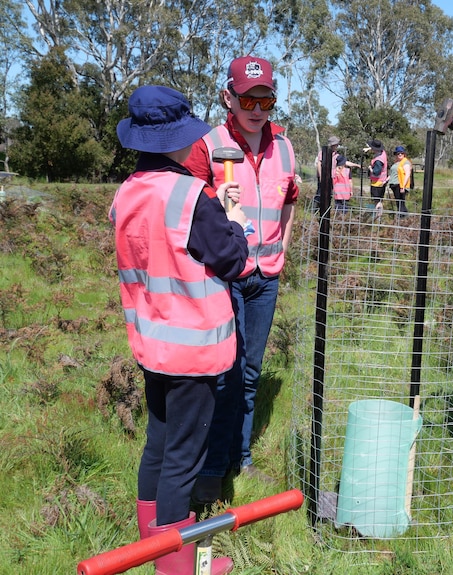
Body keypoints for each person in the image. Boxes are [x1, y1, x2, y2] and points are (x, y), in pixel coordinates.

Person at [112, 85, 249, 574]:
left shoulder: (128, 190)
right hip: (192, 351)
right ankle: (176, 567)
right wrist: (231, 218)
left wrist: (217, 210)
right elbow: (233, 259)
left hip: (151, 344)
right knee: (184, 460)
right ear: (179, 141)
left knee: (159, 443)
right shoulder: (191, 195)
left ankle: (147, 546)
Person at [184, 55, 299, 503]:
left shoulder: (285, 148)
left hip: (265, 277)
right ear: (227, 97)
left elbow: (289, 200)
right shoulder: (206, 145)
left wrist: (283, 247)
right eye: (247, 98)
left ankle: (241, 459)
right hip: (222, 277)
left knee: (250, 372)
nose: (256, 108)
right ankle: (211, 468)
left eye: (266, 99)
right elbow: (188, 206)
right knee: (224, 373)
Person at [314, 136, 358, 212]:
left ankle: (326, 210)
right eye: (335, 145)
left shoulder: (336, 155)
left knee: (329, 194)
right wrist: (321, 177)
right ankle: (315, 209)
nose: (336, 146)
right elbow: (319, 164)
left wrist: (356, 165)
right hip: (323, 177)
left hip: (332, 177)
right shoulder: (322, 153)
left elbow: (344, 163)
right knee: (320, 193)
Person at [387, 145, 412, 216]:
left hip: (400, 185)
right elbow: (392, 174)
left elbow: (407, 175)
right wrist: (386, 180)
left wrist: (403, 186)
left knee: (401, 202)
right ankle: (403, 217)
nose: (400, 154)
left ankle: (403, 218)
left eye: (401, 153)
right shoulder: (396, 163)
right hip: (394, 185)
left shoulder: (405, 162)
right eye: (398, 153)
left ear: (404, 154)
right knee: (398, 203)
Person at [365, 139, 387, 215]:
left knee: (377, 200)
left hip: (377, 182)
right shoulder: (383, 153)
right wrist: (368, 148)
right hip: (382, 181)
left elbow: (376, 172)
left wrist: (370, 168)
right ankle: (379, 216)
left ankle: (378, 215)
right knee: (380, 200)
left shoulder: (378, 160)